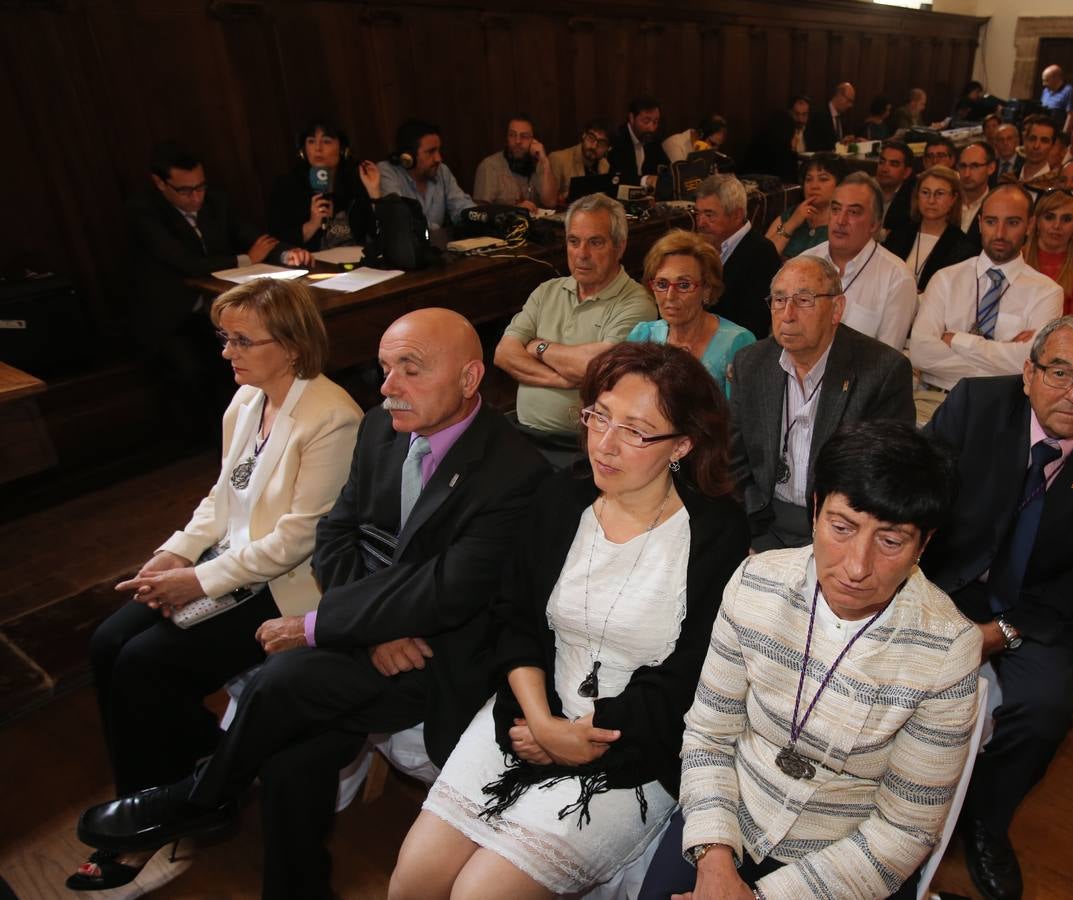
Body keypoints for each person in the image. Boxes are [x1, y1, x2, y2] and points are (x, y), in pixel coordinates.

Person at [74, 309, 551, 899]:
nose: (387, 386)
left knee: (285, 678)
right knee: (292, 753)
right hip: (379, 638)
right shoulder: (381, 427)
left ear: (471, 377)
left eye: (410, 368)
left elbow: (449, 592)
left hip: (439, 653)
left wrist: (323, 625)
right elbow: (336, 534)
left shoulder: (515, 470)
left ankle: (202, 795)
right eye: (383, 368)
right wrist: (366, 632)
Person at [389, 342, 750, 899]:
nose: (605, 444)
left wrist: (580, 736)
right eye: (599, 416)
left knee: (480, 895)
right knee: (413, 882)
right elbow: (514, 618)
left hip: (632, 744)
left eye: (635, 430)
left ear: (682, 444)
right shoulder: (563, 494)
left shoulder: (716, 531)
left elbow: (689, 679)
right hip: (527, 711)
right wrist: (542, 720)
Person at [68, 279, 360, 892]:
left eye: (242, 340)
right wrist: (172, 554)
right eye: (224, 339)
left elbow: (299, 538)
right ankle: (153, 800)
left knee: (147, 663)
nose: (226, 353)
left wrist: (194, 580)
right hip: (231, 568)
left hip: (285, 588)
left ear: (291, 343)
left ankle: (194, 790)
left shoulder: (333, 418)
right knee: (106, 644)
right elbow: (222, 497)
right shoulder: (246, 402)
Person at [638, 419, 981, 900]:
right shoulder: (755, 582)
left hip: (846, 857)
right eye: (842, 528)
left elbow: (905, 829)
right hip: (733, 815)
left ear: (924, 544)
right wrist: (714, 858)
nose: (857, 567)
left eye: (890, 540)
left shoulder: (946, 649)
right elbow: (709, 734)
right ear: (816, 509)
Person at [921, 315, 1073, 900]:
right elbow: (915, 497)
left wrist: (998, 632)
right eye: (1060, 372)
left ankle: (987, 821)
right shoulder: (975, 406)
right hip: (947, 581)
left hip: (1042, 603)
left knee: (1046, 710)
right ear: (1029, 373)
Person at [729, 255, 914, 551]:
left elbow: (883, 477)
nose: (787, 314)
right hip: (762, 522)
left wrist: (837, 537)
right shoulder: (751, 363)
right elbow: (734, 461)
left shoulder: (882, 371)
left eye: (804, 300)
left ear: (836, 309)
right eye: (778, 300)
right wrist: (750, 529)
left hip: (842, 533)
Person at [128, 141, 312, 438]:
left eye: (200, 186)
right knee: (203, 369)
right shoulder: (143, 212)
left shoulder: (216, 201)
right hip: (172, 316)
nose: (196, 196)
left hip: (218, 313)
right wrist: (245, 259)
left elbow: (250, 235)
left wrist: (284, 254)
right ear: (160, 183)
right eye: (185, 190)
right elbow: (183, 262)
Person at [495, 193, 657, 467]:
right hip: (522, 435)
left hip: (581, 449)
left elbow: (595, 368)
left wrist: (538, 347)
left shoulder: (637, 303)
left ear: (619, 246)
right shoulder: (547, 291)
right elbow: (504, 354)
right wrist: (561, 379)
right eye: (574, 241)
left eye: (595, 242)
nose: (582, 254)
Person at [908, 184, 1064, 422]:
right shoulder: (946, 278)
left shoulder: (1047, 292)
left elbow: (1032, 364)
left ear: (1030, 226)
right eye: (991, 222)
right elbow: (920, 352)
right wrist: (1005, 357)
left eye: (1012, 223)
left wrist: (957, 340)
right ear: (980, 223)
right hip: (935, 402)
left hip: (1002, 410)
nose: (1000, 233)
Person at [627, 229, 755, 396]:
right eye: (662, 284)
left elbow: (741, 417)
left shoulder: (737, 343)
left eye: (684, 285)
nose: (670, 296)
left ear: (707, 289)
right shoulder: (643, 335)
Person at [801, 172, 919, 352]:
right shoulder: (803, 263)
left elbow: (887, 362)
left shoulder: (897, 279)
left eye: (853, 212)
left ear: (875, 224)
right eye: (835, 209)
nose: (841, 221)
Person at [266, 118, 379, 251]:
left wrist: (374, 191)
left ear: (342, 148)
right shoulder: (287, 185)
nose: (318, 148)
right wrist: (312, 224)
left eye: (326, 141)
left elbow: (378, 232)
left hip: (358, 261)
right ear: (303, 149)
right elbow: (277, 243)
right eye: (311, 141)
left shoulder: (357, 179)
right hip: (313, 263)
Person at [695, 174, 781, 339]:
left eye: (709, 215)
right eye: (698, 213)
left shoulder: (761, 253)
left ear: (737, 215)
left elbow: (754, 327)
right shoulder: (699, 247)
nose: (700, 223)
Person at [882, 165, 979, 293]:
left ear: (953, 199)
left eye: (940, 193)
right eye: (925, 192)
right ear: (917, 196)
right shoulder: (898, 235)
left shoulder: (963, 248)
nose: (931, 200)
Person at [377, 119, 476, 233]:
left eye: (439, 150)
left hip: (434, 248)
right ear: (408, 157)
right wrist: (438, 231)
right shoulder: (387, 171)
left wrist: (478, 217)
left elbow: (461, 205)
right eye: (431, 152)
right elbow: (401, 219)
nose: (438, 158)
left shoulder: (442, 170)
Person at [1025, 189, 1073, 315]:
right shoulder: (1014, 258)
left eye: (1066, 219)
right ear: (1036, 222)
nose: (1057, 226)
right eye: (1049, 217)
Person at [472, 114, 559, 212]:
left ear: (534, 141)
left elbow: (551, 202)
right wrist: (513, 210)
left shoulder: (539, 163)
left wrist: (545, 162)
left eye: (524, 136)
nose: (517, 141)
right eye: (512, 135)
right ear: (507, 138)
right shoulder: (489, 166)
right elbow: (480, 212)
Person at [765, 155, 844, 258]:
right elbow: (763, 257)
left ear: (840, 184)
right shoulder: (791, 214)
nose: (814, 186)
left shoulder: (843, 222)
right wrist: (791, 223)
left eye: (823, 179)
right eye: (808, 179)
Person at [743, 95, 810, 183]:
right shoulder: (778, 141)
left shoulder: (810, 130)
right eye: (796, 114)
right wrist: (793, 149)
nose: (800, 119)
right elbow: (788, 174)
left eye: (804, 114)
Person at [548, 118, 613, 204]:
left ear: (608, 149)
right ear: (583, 135)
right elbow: (549, 202)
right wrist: (570, 195)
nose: (594, 146)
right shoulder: (558, 159)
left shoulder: (605, 165)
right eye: (591, 138)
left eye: (601, 143)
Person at [609, 97, 670, 189]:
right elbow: (616, 180)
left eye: (655, 122)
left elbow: (666, 168)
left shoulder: (653, 139)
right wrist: (645, 180)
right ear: (631, 118)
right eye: (646, 121)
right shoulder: (617, 140)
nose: (652, 128)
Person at [876, 140, 918, 238]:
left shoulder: (912, 200)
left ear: (906, 172)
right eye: (882, 162)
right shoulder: (867, 190)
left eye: (893, 164)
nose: (884, 169)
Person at [957, 141, 997, 234]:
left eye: (974, 166)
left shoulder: (998, 206)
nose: (967, 174)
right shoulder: (948, 203)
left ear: (991, 168)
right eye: (963, 166)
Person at [806, 82, 856, 150]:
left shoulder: (844, 118)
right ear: (839, 95)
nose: (850, 105)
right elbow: (814, 145)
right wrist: (839, 145)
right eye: (849, 100)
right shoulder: (819, 115)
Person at [663, 113, 728, 163]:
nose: (714, 149)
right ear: (701, 134)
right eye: (713, 144)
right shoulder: (673, 144)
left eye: (718, 145)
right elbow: (683, 177)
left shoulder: (706, 149)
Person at [1018, 115, 1059, 184]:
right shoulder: (1008, 179)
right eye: (1032, 139)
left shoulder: (1055, 186)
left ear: (1052, 146)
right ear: (1025, 141)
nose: (1036, 146)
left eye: (1044, 141)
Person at [1040, 64, 1073, 131]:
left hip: (1057, 129)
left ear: (1056, 78)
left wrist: (1064, 134)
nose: (1044, 84)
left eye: (1047, 80)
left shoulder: (1068, 91)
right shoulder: (1045, 91)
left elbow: (1071, 115)